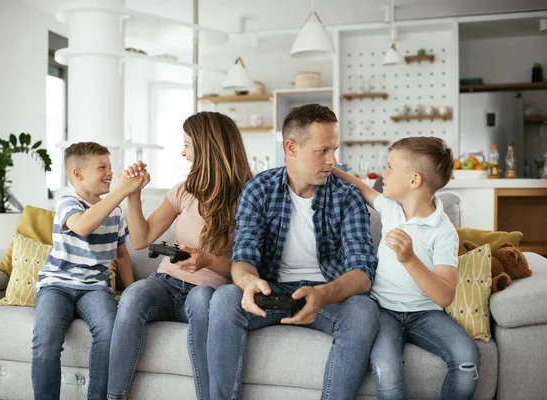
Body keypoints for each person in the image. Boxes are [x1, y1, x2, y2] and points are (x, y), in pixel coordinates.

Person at [207, 104, 380, 400]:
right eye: (323, 151)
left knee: (364, 312)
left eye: (334, 150)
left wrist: (323, 294)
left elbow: (362, 273)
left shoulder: (347, 196)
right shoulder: (258, 189)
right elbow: (243, 258)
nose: (333, 160)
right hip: (272, 290)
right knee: (224, 298)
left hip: (327, 294)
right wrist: (249, 282)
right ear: (291, 147)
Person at [107, 112, 252, 400]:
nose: (183, 152)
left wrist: (208, 261)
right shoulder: (183, 191)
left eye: (187, 144)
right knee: (134, 294)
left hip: (208, 288)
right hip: (167, 282)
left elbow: (251, 266)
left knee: (200, 301)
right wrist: (133, 194)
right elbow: (141, 239)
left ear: (206, 146)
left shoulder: (248, 197)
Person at [332, 137, 480, 400]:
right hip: (383, 311)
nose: (383, 174)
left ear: (414, 180)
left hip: (425, 314)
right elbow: (359, 186)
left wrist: (410, 258)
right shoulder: (390, 209)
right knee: (386, 368)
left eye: (389, 168)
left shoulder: (443, 231)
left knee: (467, 359)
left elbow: (445, 295)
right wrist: (329, 166)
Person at [32, 142, 139, 400]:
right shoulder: (67, 203)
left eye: (110, 166)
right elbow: (82, 226)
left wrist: (131, 291)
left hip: (95, 287)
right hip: (57, 284)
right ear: (78, 174)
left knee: (110, 332)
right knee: (46, 340)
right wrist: (121, 193)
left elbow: (122, 256)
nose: (110, 173)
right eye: (101, 167)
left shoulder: (115, 212)